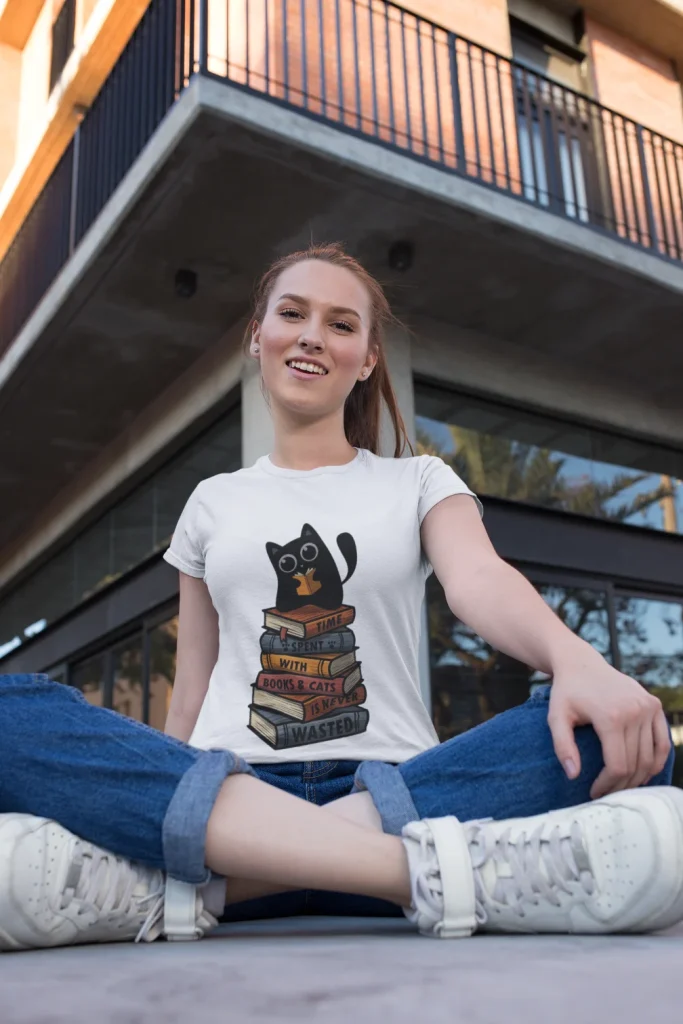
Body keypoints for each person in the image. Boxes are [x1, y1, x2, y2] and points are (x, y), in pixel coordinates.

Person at [1, 243, 681, 953]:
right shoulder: (211, 501)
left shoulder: (418, 481)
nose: (311, 336)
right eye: (292, 314)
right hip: (239, 789)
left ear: (365, 359)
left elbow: (477, 578)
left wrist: (575, 661)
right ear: (256, 337)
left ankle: (187, 885)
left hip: (400, 788)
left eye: (340, 324)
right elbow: (191, 687)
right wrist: (151, 795)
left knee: (625, 729)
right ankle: (436, 873)